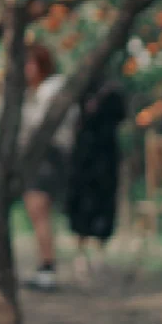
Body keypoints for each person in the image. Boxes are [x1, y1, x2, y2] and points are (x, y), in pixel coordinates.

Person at [19, 42, 77, 290]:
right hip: (36, 156)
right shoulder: (30, 93)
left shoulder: (53, 89)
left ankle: (48, 267)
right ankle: (45, 265)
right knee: (36, 213)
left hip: (49, 154)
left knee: (39, 209)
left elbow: (43, 125)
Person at [66, 81, 126, 269]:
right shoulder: (82, 91)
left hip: (105, 158)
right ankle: (80, 252)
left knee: (104, 203)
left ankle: (101, 252)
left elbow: (120, 117)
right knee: (81, 204)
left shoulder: (112, 95)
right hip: (84, 158)